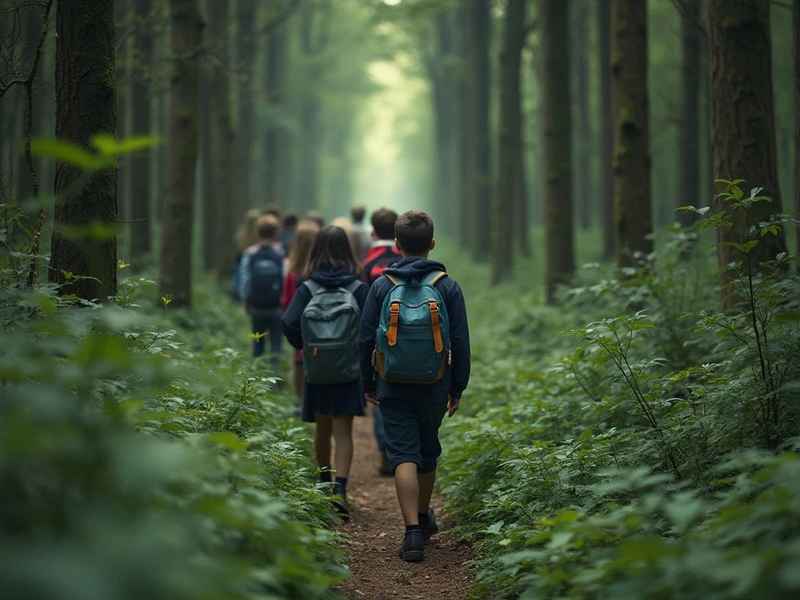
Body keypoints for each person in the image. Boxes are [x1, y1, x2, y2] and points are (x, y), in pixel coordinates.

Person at [359, 210, 471, 562]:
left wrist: (368, 382)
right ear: (432, 244)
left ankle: (411, 534)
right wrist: (457, 387)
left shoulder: (382, 286)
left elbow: (364, 338)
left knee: (403, 454)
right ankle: (423, 518)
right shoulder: (447, 286)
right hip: (435, 383)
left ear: (396, 244)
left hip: (392, 383)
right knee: (427, 451)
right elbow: (460, 341)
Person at [282, 225, 368, 517]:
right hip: (348, 370)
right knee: (344, 431)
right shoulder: (358, 287)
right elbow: (370, 328)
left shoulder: (307, 287)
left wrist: (305, 347)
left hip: (317, 369)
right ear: (348, 251)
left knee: (322, 428)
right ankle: (340, 490)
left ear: (315, 251)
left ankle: (323, 483)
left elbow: (289, 322)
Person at [360, 207, 402, 476]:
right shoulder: (405, 258)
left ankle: (387, 454)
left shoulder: (366, 263)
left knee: (381, 398)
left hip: (379, 341)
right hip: (410, 337)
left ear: (373, 231)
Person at [281, 220, 320, 410]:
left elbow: (286, 300)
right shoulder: (319, 270)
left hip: (298, 323)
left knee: (298, 360)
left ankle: (299, 401)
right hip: (318, 322)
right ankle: (314, 399)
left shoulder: (291, 270)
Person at [238, 215, 285, 370]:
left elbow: (245, 280)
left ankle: (257, 374)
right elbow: (284, 278)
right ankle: (275, 375)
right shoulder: (280, 253)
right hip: (276, 306)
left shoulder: (250, 253)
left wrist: (245, 301)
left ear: (258, 232)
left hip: (256, 306)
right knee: (276, 343)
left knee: (257, 341)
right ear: (275, 232)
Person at [231, 209, 262, 302]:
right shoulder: (259, 234)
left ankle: (239, 297)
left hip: (240, 259)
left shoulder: (241, 234)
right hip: (254, 260)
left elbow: (238, 247)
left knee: (240, 280)